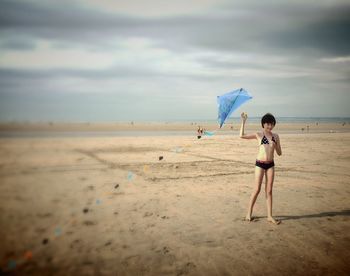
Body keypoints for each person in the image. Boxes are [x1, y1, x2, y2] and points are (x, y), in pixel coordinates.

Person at [239, 112, 282, 225]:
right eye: (267, 124)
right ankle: (249, 213)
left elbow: (279, 153)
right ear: (263, 124)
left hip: (270, 165)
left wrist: (276, 144)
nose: (270, 126)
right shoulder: (259, 134)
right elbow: (241, 136)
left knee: (269, 191)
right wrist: (243, 121)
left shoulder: (276, 136)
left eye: (272, 124)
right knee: (257, 189)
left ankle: (269, 216)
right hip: (259, 164)